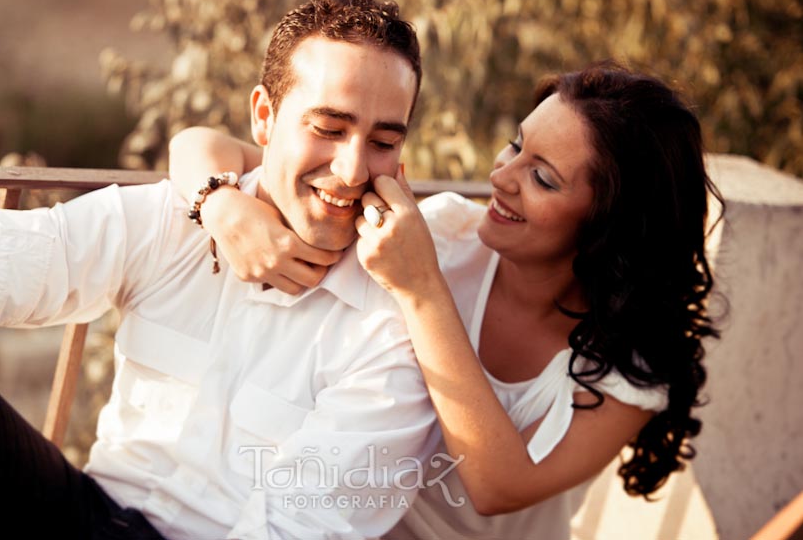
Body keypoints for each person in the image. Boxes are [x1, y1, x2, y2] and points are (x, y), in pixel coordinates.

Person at [0, 0, 439, 540]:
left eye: (382, 141)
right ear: (264, 116)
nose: (352, 170)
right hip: (81, 511)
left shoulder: (391, 330)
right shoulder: (179, 213)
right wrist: (216, 202)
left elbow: (295, 530)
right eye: (328, 128)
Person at [167, 62, 723, 539]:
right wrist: (218, 204)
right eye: (515, 146)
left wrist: (422, 288)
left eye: (543, 179)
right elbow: (202, 145)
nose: (501, 177)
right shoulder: (444, 233)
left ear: (612, 224)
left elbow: (499, 486)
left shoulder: (632, 369)